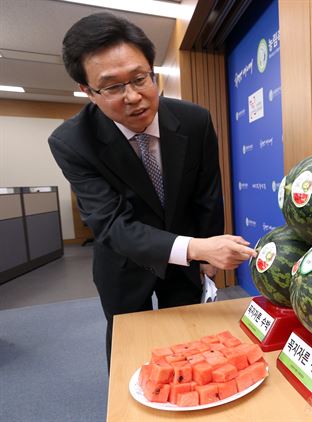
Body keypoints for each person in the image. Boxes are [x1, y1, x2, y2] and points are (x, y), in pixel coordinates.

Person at [49, 12, 256, 368]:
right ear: (87, 91)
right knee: (132, 357)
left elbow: (207, 195)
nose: (133, 97)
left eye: (140, 78)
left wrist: (204, 257)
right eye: (113, 87)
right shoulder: (72, 142)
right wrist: (196, 247)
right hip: (124, 262)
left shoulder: (195, 120)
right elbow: (111, 224)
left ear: (152, 70)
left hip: (187, 260)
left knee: (194, 347)